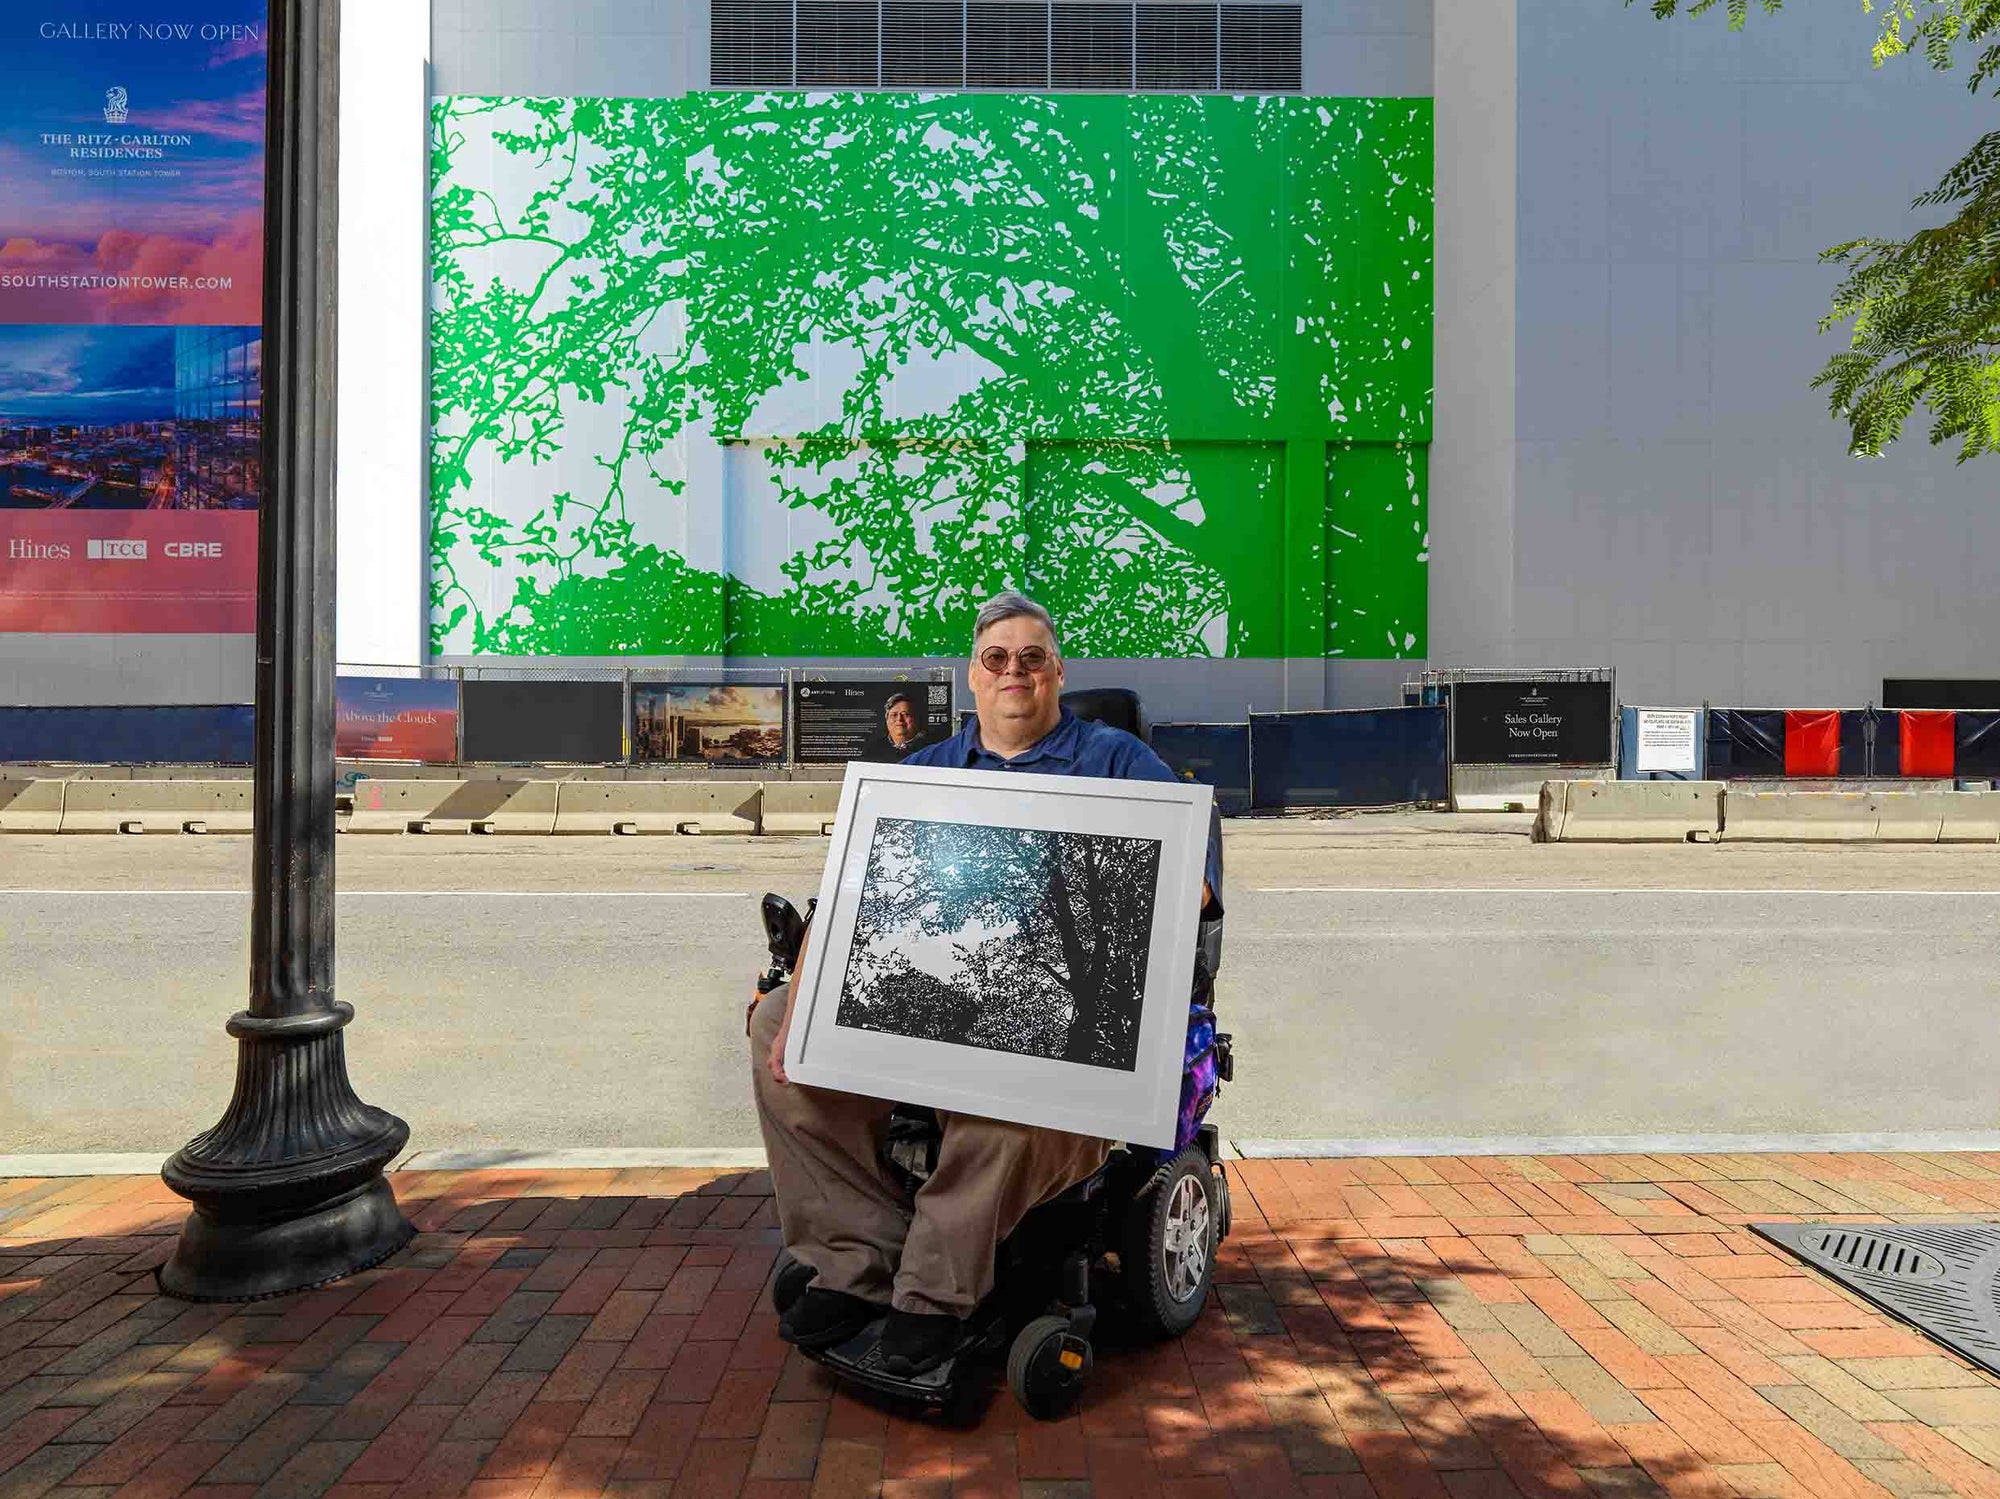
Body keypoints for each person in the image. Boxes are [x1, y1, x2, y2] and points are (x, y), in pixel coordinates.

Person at [748, 590, 1222, 1377]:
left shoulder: (1118, 762)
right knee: (775, 1025)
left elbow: (1193, 889)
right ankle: (857, 1261)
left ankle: (933, 1294)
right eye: (997, 658)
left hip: (1056, 1003)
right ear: (972, 676)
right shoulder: (924, 772)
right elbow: (852, 900)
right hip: (940, 989)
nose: (1015, 671)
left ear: (1057, 672)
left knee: (1020, 1086)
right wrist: (803, 986)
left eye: (1032, 658)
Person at [857, 690, 932, 762]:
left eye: (905, 714)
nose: (899, 719)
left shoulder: (931, 749)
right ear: (887, 720)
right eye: (894, 715)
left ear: (917, 719)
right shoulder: (873, 750)